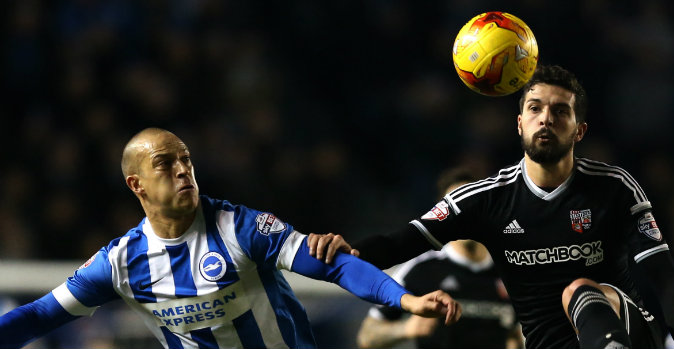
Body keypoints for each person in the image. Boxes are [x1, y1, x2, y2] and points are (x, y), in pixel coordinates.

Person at [310, 65, 674, 349]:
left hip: (630, 334)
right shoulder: (485, 199)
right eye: (534, 108)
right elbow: (401, 242)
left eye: (560, 111)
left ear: (579, 130)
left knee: (580, 290)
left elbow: (664, 278)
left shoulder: (613, 187)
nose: (546, 118)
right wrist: (350, 249)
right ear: (519, 123)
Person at [0, 128, 461, 349]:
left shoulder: (239, 227)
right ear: (136, 185)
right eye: (165, 163)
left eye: (186, 159)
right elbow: (39, 315)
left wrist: (404, 301)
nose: (183, 170)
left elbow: (334, 263)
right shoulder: (121, 263)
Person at [356, 168, 523, 349]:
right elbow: (367, 335)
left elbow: (514, 335)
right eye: (456, 210)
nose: (463, 217)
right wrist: (405, 328)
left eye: (469, 207)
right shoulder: (421, 269)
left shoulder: (510, 267)